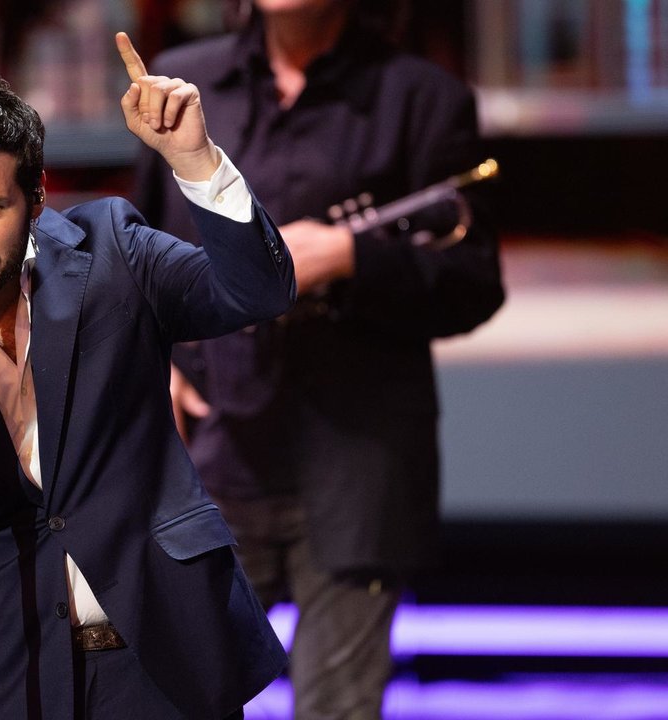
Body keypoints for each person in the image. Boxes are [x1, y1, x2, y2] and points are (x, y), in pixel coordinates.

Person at [0, 32, 293, 720]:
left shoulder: (113, 251)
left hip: (164, 659)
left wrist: (193, 161)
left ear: (37, 196)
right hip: (9, 671)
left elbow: (255, 294)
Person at [132, 2, 506, 718]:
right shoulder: (189, 85)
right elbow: (138, 260)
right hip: (211, 460)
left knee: (337, 709)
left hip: (356, 467)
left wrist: (349, 257)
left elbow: (473, 283)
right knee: (175, 700)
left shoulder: (420, 96)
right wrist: (162, 361)